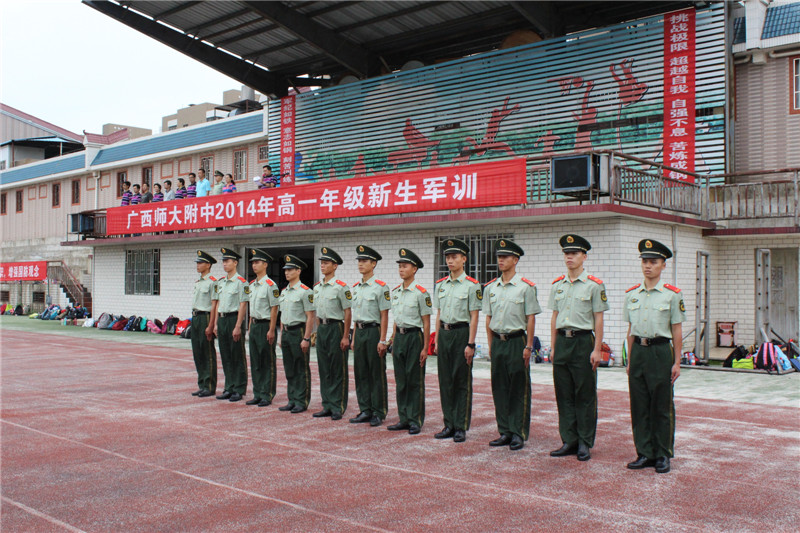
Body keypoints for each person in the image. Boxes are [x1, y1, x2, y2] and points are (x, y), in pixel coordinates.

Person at [624, 239, 684, 474]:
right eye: (645, 262)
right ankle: (644, 452)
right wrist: (630, 359)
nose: (648, 266)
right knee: (639, 404)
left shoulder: (672, 295)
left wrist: (677, 362)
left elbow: (676, 329)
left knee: (661, 405)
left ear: (663, 265)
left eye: (653, 262)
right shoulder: (632, 294)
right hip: (639, 350)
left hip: (660, 351)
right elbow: (631, 330)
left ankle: (662, 454)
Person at [548, 234, 609, 462]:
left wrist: (597, 349)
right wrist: (553, 346)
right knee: (563, 394)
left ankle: (584, 441)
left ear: (584, 256)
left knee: (584, 394)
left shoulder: (594, 285)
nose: (569, 257)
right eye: (566, 253)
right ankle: (569, 440)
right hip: (562, 341)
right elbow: (554, 317)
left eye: (574, 253)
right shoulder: (557, 285)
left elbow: (598, 318)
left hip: (583, 342)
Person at [483, 239, 540, 451]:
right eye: (499, 257)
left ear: (515, 260)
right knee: (499, 387)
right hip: (498, 342)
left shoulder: (525, 287)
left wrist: (528, 346)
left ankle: (518, 432)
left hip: (517, 341)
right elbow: (488, 318)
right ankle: (504, 431)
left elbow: (531, 318)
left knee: (518, 388)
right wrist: (490, 345)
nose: (501, 260)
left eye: (505, 257)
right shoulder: (491, 288)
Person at [432, 238, 482, 443]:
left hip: (461, 334)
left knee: (461, 381)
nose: (450, 261)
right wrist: (436, 340)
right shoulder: (440, 285)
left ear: (464, 259)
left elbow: (474, 316)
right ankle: (449, 424)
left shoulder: (472, 285)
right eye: (448, 257)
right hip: (444, 334)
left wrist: (471, 343)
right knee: (445, 381)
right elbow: (439, 313)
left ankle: (460, 426)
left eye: (454, 257)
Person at [388, 248, 431, 435]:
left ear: (414, 269)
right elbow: (396, 319)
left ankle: (415, 419)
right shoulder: (396, 292)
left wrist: (425, 347)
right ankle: (403, 418)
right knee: (401, 381)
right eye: (400, 266)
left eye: (405, 266)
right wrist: (392, 339)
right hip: (399, 337)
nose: (401, 269)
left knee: (414, 381)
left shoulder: (421, 293)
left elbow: (426, 322)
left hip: (414, 337)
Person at [349, 245, 391, 427]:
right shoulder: (356, 288)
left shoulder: (381, 287)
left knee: (376, 373)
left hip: (374, 331)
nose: (361, 264)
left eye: (364, 261)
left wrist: (383, 340)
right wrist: (353, 337)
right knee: (361, 372)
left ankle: (378, 411)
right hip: (359, 332)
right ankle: (365, 409)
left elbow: (384, 315)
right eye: (359, 261)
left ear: (373, 264)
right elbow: (355, 314)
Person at [312, 247, 352, 421]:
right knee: (324, 368)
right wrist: (317, 330)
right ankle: (327, 404)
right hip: (322, 328)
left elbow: (347, 312)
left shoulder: (341, 287)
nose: (322, 266)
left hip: (336, 327)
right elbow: (316, 311)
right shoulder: (317, 288)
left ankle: (338, 406)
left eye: (326, 263)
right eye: (321, 263)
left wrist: (345, 336)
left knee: (337, 368)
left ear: (335, 266)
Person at [278, 254, 315, 414]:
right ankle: (292, 399)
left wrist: (306, 338)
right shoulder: (284, 292)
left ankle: (301, 400)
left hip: (298, 331)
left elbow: (310, 316)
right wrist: (281, 335)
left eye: (290, 270)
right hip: (286, 332)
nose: (287, 272)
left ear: (298, 271)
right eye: (286, 270)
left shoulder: (305, 292)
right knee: (289, 368)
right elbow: (282, 315)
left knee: (301, 368)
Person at [212, 248, 248, 402]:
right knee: (225, 355)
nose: (224, 264)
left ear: (235, 263)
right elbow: (218, 303)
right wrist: (215, 324)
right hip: (222, 320)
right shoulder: (221, 282)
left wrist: (238, 325)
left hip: (234, 319)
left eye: (227, 261)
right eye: (223, 261)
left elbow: (243, 305)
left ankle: (239, 388)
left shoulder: (241, 283)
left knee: (237, 355)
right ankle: (229, 386)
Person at [247, 248, 280, 407]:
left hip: (265, 325)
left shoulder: (270, 285)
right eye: (253, 262)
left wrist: (272, 330)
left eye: (257, 262)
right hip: (254, 326)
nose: (254, 265)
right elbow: (251, 309)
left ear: (265, 264)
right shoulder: (252, 285)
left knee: (267, 361)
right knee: (255, 361)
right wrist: (249, 327)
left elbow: (274, 309)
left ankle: (267, 394)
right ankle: (257, 393)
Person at [191, 250, 218, 398]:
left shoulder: (212, 282)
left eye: (200, 263)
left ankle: (209, 386)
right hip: (195, 317)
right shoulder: (198, 282)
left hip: (205, 317)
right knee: (198, 352)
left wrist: (211, 325)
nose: (198, 265)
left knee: (207, 353)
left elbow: (214, 305)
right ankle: (201, 384)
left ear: (208, 265)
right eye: (197, 263)